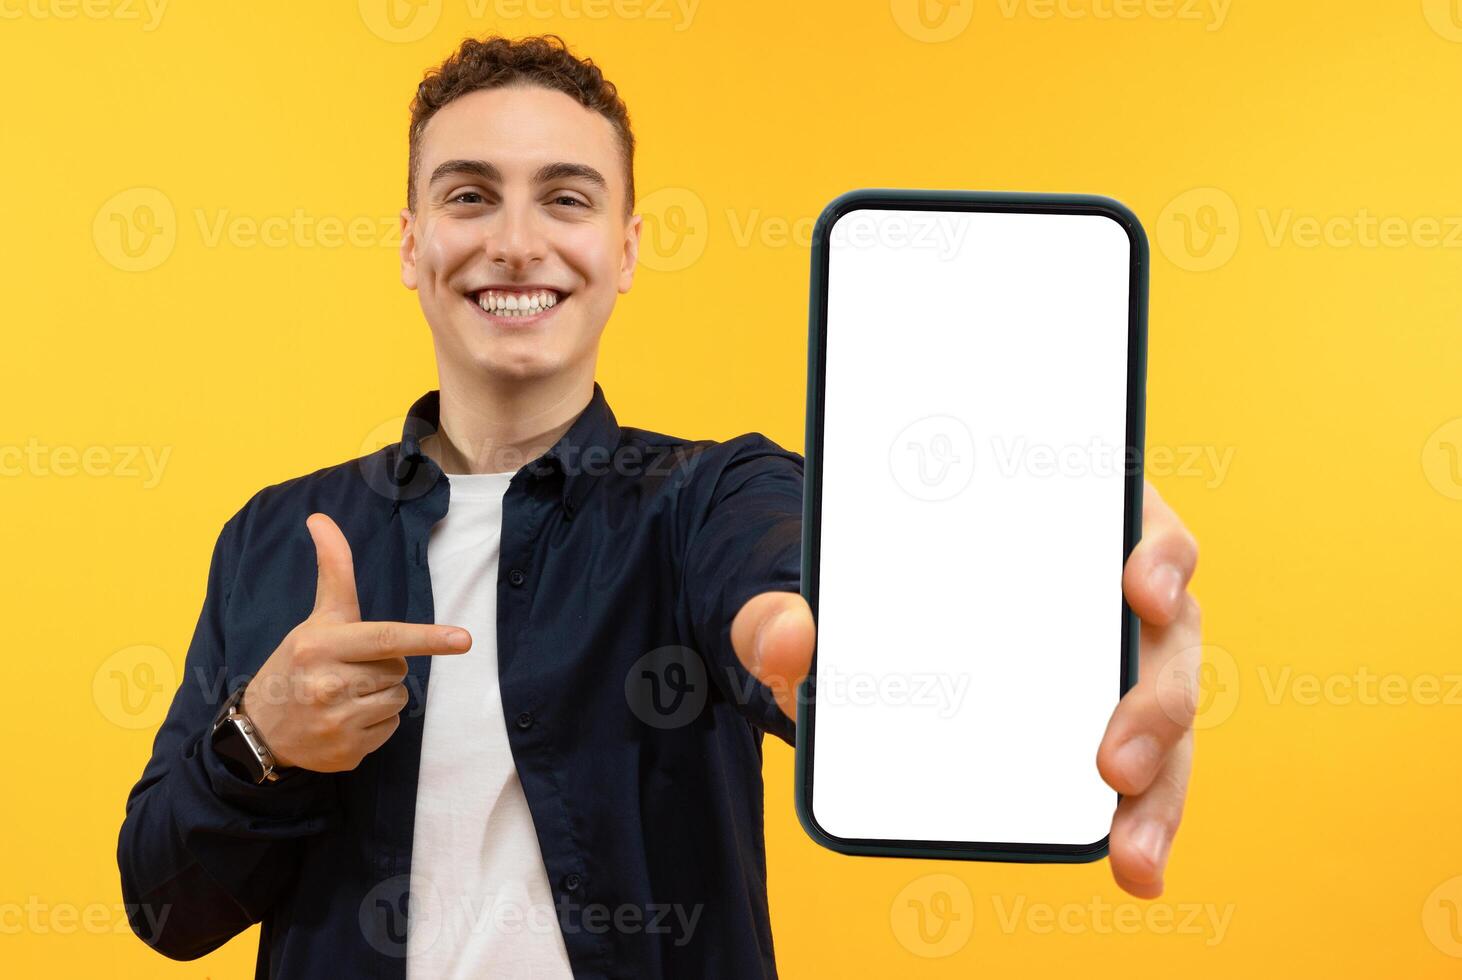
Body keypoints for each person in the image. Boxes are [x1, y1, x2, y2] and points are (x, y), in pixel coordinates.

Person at [117, 33, 1202, 980]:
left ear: (625, 248)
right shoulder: (276, 536)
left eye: (567, 197)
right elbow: (163, 905)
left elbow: (785, 591)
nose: (515, 240)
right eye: (468, 194)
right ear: (412, 243)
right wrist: (258, 739)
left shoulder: (712, 496)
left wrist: (971, 610)